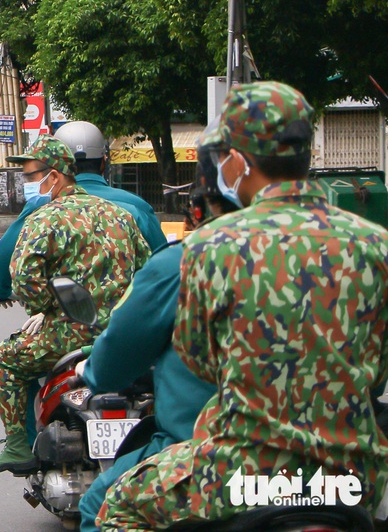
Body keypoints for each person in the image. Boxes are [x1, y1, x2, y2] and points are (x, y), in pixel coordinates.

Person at [97, 81, 388, 529]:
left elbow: (202, 360)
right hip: (354, 478)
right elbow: (379, 367)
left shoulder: (209, 247)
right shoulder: (375, 244)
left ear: (235, 159)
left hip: (243, 474)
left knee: (117, 506)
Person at [73, 122, 236, 532]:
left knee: (100, 504)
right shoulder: (369, 247)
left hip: (215, 462)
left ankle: (18, 445)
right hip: (350, 466)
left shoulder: (186, 263)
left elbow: (110, 367)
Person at [0, 121, 166, 447]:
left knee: (5, 361)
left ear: (55, 175)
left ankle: (18, 446)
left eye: (30, 176)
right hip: (123, 330)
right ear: (103, 161)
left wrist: (43, 308)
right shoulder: (126, 211)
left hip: (67, 330)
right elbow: (155, 271)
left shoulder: (41, 214)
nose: (28, 183)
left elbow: (19, 275)